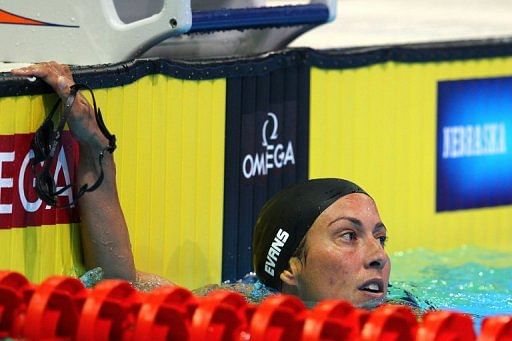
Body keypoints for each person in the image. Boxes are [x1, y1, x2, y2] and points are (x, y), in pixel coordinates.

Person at [11, 62, 392, 308]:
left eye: (380, 237)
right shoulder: (232, 314)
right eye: (348, 236)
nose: (378, 255)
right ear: (290, 268)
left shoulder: (412, 316)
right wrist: (96, 150)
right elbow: (117, 285)